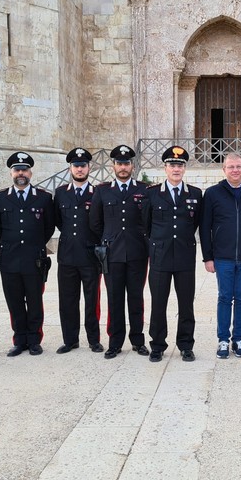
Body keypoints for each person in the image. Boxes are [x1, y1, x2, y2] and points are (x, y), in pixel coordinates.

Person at [89, 145, 150, 359]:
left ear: (133, 165)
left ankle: (137, 341)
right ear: (113, 165)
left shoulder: (144, 190)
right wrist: (107, 241)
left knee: (136, 298)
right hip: (112, 254)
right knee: (114, 299)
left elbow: (148, 221)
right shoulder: (102, 191)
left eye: (126, 163)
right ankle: (115, 342)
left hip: (137, 252)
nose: (123, 167)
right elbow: (95, 223)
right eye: (119, 163)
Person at [142, 146, 202, 362]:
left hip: (185, 257)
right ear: (165, 167)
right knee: (158, 303)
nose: (176, 169)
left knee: (186, 304)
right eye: (172, 165)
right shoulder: (152, 193)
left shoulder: (195, 194)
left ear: (185, 168)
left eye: (180, 165)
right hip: (160, 257)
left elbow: (195, 224)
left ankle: (186, 345)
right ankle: (157, 345)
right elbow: (146, 225)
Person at [0, 152, 55, 357]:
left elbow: (49, 228)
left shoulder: (44, 198)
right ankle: (19, 340)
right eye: (17, 169)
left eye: (24, 170)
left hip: (34, 259)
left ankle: (34, 340)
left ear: (30, 172)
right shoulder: (0, 198)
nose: (21, 173)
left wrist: (34, 244)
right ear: (11, 172)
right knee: (15, 301)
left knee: (35, 301)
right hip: (9, 259)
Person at [200, 153, 241, 359]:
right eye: (231, 167)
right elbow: (205, 227)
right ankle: (223, 339)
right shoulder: (213, 193)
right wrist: (208, 257)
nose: (235, 170)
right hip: (222, 257)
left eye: (238, 166)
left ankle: (238, 339)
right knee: (225, 297)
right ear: (224, 170)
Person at [54, 148, 103, 354]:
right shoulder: (61, 193)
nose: (80, 169)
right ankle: (70, 340)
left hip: (90, 255)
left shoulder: (98, 193)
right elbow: (57, 221)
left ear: (89, 168)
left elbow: (100, 222)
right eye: (76, 166)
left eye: (83, 166)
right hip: (67, 255)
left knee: (92, 300)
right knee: (67, 300)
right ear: (70, 168)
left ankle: (93, 340)